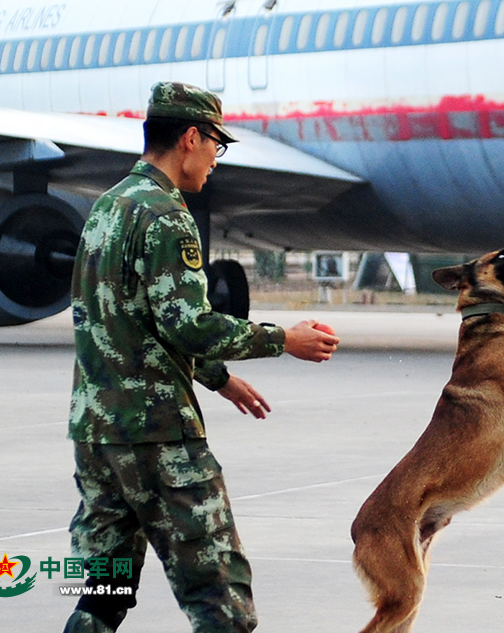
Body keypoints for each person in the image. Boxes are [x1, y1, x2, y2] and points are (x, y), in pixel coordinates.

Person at [63, 81, 339, 633]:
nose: (217, 159)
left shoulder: (105, 208)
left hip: (97, 436)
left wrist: (218, 379)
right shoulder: (166, 215)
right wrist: (285, 339)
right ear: (191, 137)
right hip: (158, 438)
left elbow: (128, 317)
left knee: (100, 593)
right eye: (217, 143)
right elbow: (188, 324)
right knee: (221, 601)